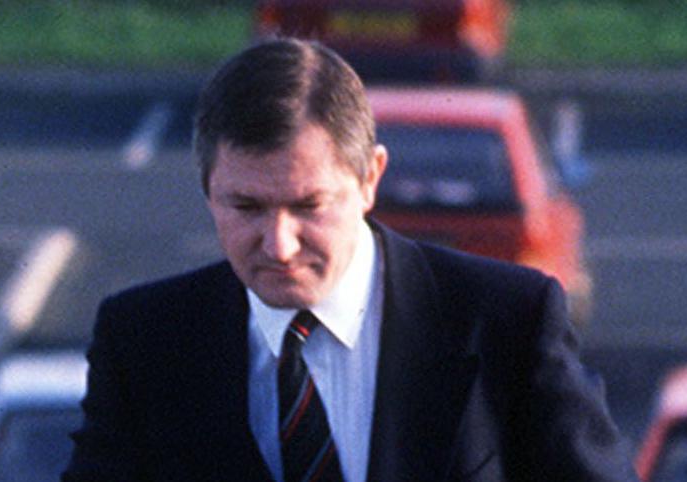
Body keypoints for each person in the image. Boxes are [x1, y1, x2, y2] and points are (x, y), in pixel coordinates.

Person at [63, 37, 638, 481]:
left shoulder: (509, 319)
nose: (279, 245)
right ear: (206, 188)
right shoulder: (143, 340)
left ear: (370, 179)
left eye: (308, 205)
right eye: (246, 206)